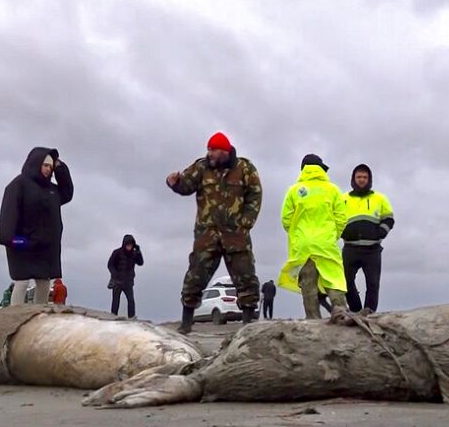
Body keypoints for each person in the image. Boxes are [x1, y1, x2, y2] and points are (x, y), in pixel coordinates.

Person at [167, 132, 262, 333]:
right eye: (208, 149)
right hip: (207, 233)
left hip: (235, 234)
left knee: (245, 276)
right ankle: (186, 323)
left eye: (213, 150)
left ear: (224, 151)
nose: (210, 153)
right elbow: (186, 186)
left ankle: (247, 324)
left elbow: (255, 194)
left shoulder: (245, 169)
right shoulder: (201, 167)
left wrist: (246, 222)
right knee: (195, 275)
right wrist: (174, 183)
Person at [0, 147, 73, 305]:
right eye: (45, 165)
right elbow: (7, 217)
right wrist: (15, 241)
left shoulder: (52, 190)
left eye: (50, 167)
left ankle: (39, 316)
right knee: (22, 281)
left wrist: (60, 166)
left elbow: (67, 193)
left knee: (44, 282)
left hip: (45, 246)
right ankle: (14, 316)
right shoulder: (18, 185)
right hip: (22, 244)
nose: (48, 169)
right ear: (35, 163)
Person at [278, 154, 348, 319]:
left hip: (303, 246)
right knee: (334, 279)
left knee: (308, 286)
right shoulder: (333, 190)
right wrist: (332, 235)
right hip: (326, 243)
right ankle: (341, 314)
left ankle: (313, 321)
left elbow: (286, 220)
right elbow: (342, 218)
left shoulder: (294, 191)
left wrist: (298, 236)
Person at [341, 163, 394, 314]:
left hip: (372, 250)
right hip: (350, 248)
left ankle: (369, 313)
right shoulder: (343, 199)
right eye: (359, 177)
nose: (362, 180)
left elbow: (389, 219)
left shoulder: (379, 198)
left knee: (372, 284)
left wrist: (381, 232)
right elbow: (334, 219)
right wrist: (342, 232)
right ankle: (357, 311)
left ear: (369, 179)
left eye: (365, 177)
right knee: (346, 283)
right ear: (353, 179)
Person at [107, 235, 144, 318]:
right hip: (117, 282)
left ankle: (132, 318)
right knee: (115, 301)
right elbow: (110, 265)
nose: (129, 246)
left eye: (131, 245)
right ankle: (113, 317)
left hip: (128, 282)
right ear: (124, 244)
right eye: (127, 244)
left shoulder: (134, 254)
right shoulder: (117, 252)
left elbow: (140, 263)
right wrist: (114, 274)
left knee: (131, 301)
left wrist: (139, 252)